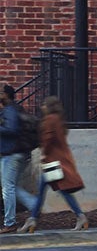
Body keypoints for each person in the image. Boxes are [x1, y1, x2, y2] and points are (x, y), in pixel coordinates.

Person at [17, 96, 87, 233]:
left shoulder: (50, 119)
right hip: (57, 161)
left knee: (58, 191)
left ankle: (33, 220)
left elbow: (48, 138)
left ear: (49, 106)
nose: (42, 107)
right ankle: (32, 219)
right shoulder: (59, 119)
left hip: (52, 161)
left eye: (44, 104)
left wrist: (43, 153)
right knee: (48, 190)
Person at [0, 84, 37, 234]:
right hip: (17, 153)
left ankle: (10, 222)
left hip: (12, 154)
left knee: (7, 188)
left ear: (6, 95)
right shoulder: (13, 109)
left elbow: (11, 130)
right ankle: (35, 205)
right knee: (11, 187)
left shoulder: (10, 110)